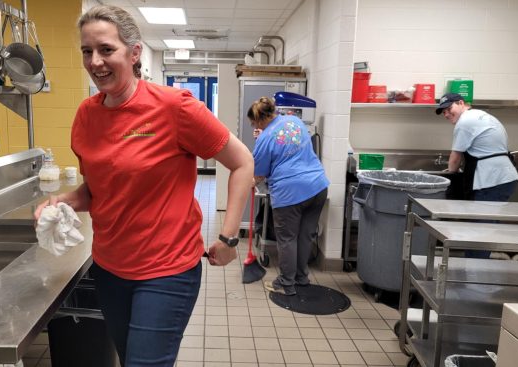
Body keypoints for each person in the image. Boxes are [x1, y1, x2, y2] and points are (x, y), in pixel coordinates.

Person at [34, 5, 253, 366]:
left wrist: (230, 238)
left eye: (106, 49)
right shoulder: (87, 116)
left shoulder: (174, 108)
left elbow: (243, 161)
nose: (95, 61)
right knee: (128, 358)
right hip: (109, 269)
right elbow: (97, 190)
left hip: (167, 271)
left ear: (134, 53)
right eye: (87, 51)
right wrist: (64, 201)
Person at [248, 97, 329, 296]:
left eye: (253, 123)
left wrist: (248, 183)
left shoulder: (264, 140)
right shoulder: (295, 121)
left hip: (290, 192)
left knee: (287, 239)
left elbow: (259, 174)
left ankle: (286, 283)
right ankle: (301, 278)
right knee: (305, 236)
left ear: (259, 121)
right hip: (317, 186)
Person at [436, 92, 518, 258]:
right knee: (485, 227)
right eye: (443, 112)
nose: (446, 114)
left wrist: (449, 175)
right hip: (504, 177)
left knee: (480, 229)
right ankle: (478, 268)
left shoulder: (464, 122)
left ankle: (473, 271)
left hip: (491, 180)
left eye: (448, 108)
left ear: (461, 103)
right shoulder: (483, 116)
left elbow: (455, 158)